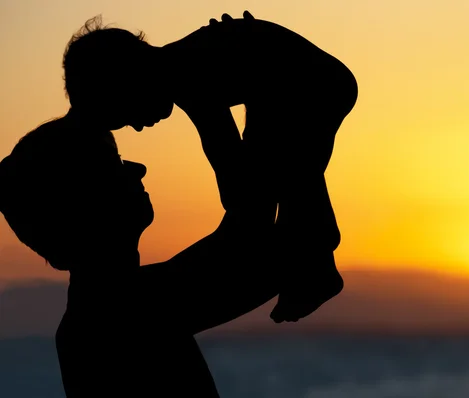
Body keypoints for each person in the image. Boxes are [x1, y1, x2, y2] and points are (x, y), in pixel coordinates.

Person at [0, 14, 286, 397]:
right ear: (88, 207)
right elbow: (256, 232)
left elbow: (247, 228)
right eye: (113, 166)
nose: (138, 167)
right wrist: (223, 98)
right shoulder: (130, 314)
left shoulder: (95, 319)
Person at [63, 10, 359, 323]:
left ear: (128, 79)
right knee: (284, 181)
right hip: (304, 89)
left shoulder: (190, 74)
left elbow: (225, 157)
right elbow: (228, 158)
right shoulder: (187, 65)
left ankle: (318, 262)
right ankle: (316, 261)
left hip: (309, 91)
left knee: (280, 178)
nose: (137, 126)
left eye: (125, 114)